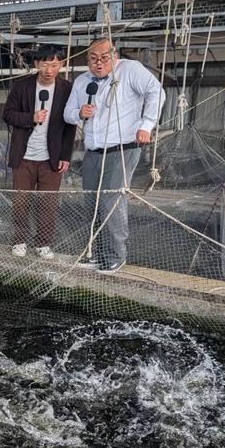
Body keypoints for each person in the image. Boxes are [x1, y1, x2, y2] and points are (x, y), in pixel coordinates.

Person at [63, 37, 165, 274]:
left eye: (104, 58)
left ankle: (115, 256)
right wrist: (80, 112)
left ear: (115, 56)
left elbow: (156, 92)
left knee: (111, 202)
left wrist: (146, 125)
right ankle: (93, 253)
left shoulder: (129, 70)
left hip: (122, 148)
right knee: (91, 203)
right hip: (93, 151)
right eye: (93, 59)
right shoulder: (82, 81)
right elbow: (67, 113)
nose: (98, 63)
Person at [2, 44, 77, 260]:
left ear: (61, 65)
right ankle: (19, 241)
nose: (49, 70)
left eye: (54, 65)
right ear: (36, 64)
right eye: (44, 65)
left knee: (48, 203)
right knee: (20, 202)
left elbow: (70, 125)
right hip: (23, 156)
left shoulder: (67, 89)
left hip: (51, 158)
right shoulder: (22, 86)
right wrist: (31, 118)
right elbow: (7, 115)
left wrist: (65, 156)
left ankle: (43, 243)